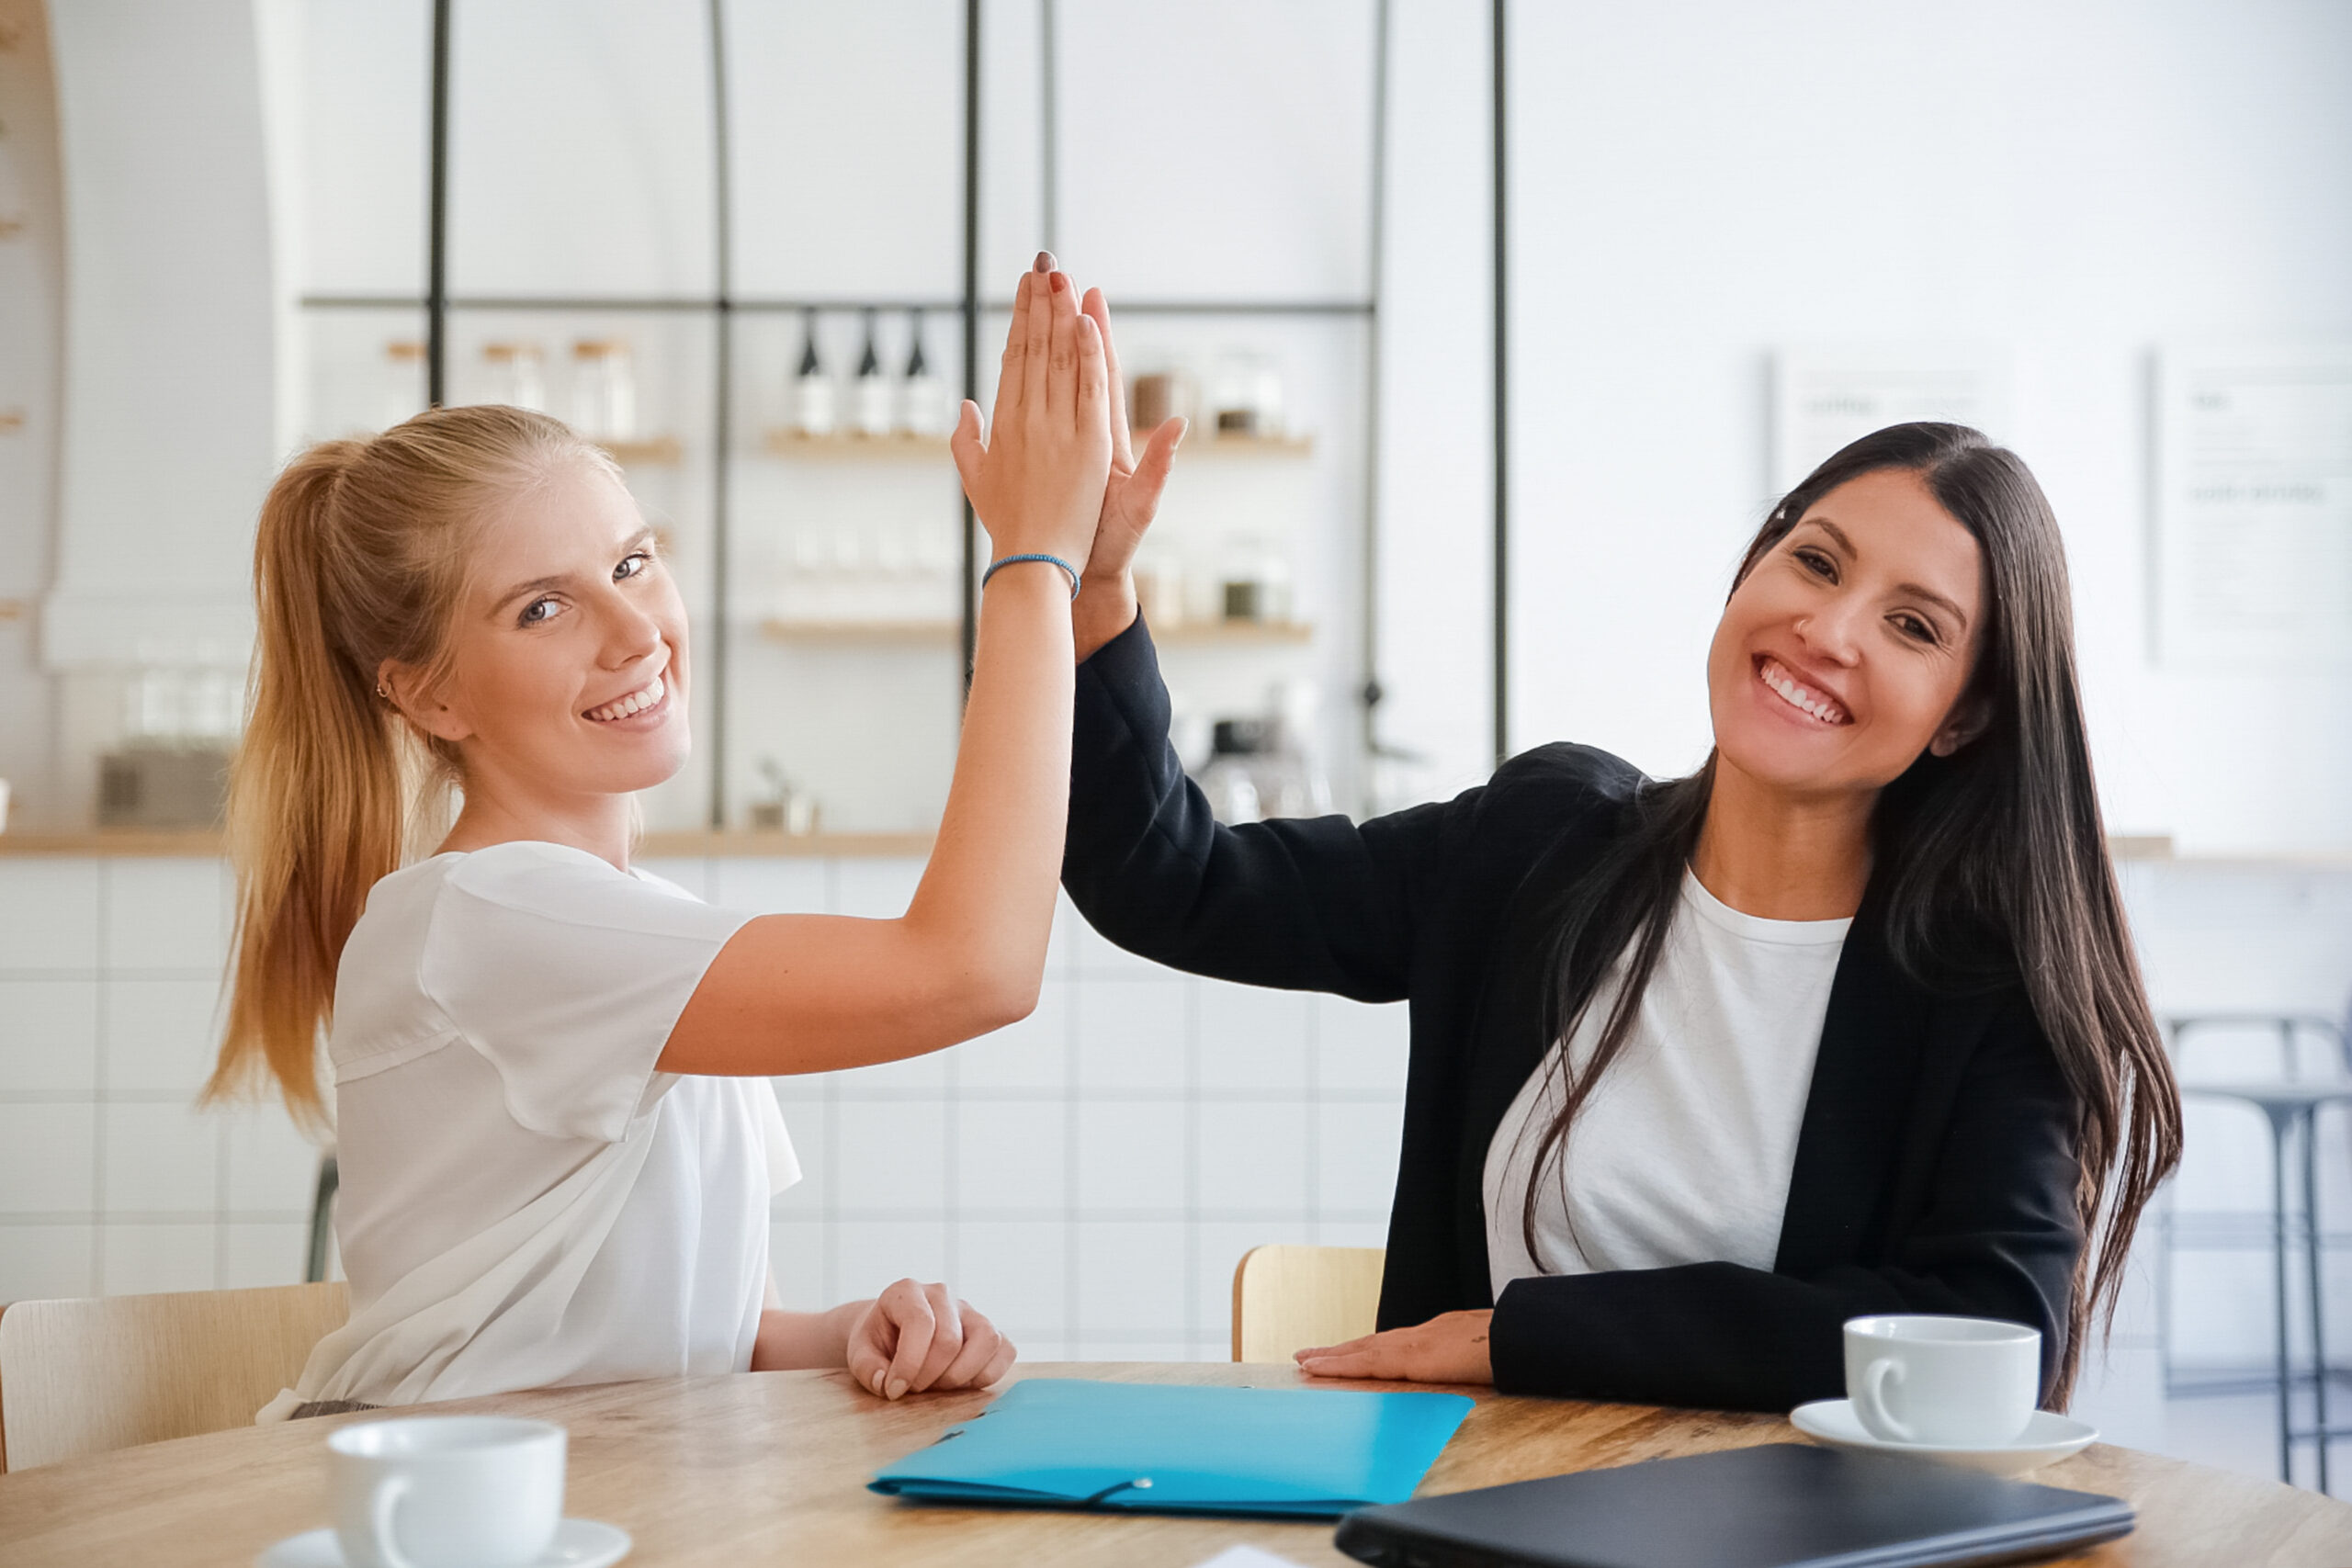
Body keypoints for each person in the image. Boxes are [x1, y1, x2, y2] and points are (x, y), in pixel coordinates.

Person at [1057, 402, 2182, 1411]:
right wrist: (1094, 592)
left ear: (1963, 717)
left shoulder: (1985, 985)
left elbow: (1993, 1338)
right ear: (1751, 572)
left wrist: (1530, 1339)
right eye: (1816, 563)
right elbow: (1168, 880)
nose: (1830, 633)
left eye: (1913, 626)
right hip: (1474, 1520)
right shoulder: (1537, 842)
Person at [209, 254, 1129, 1416]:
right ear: (430, 697)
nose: (633, 629)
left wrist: (856, 1332)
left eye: (632, 562)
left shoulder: (634, 934)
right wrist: (1030, 567)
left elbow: (712, 1333)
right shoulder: (491, 917)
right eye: (542, 607)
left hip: (614, 1499)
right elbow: (976, 971)